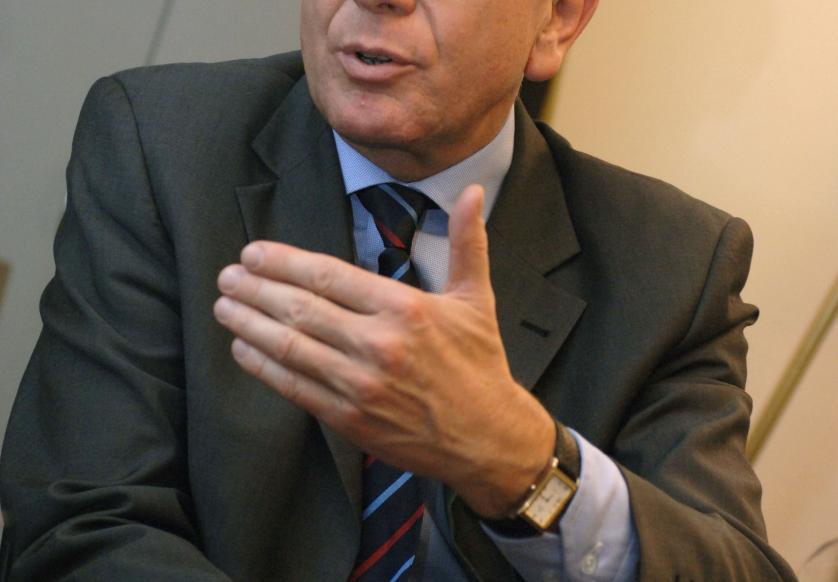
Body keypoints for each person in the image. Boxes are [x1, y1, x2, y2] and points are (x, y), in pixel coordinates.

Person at [0, 0, 796, 580]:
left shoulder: (674, 264)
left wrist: (521, 460)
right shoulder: (161, 145)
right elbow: (78, 524)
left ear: (555, 19)